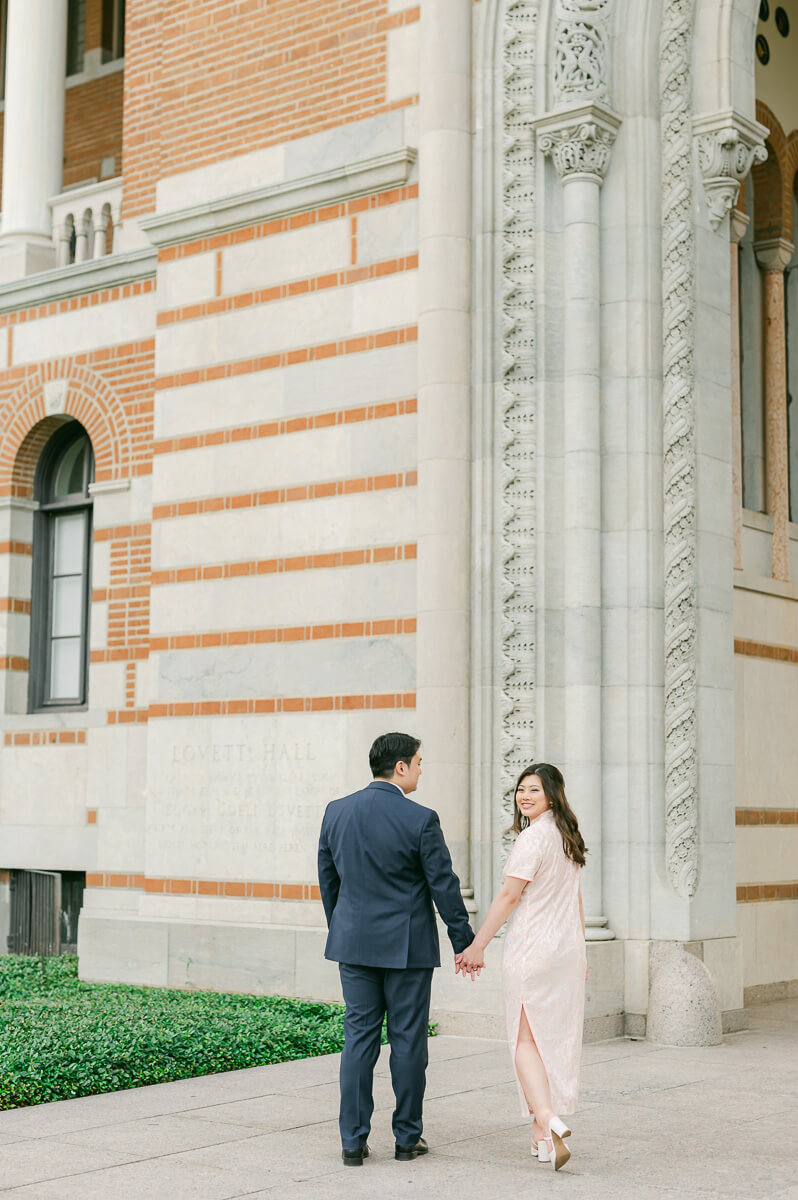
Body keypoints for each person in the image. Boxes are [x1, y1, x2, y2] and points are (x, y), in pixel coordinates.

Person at [317, 732, 478, 1167]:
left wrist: (345, 929)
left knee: (358, 1041)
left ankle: (353, 1142)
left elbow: (328, 880)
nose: (423, 770)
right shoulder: (421, 819)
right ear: (401, 767)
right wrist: (464, 942)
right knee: (408, 1041)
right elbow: (443, 886)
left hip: (353, 945)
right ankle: (407, 1139)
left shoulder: (336, 811)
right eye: (420, 762)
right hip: (407, 948)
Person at [457, 763, 587, 1171]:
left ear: (552, 794)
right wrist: (581, 953)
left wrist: (477, 945)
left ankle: (548, 1119)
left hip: (533, 949)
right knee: (550, 1040)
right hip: (566, 950)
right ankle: (541, 1137)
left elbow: (509, 897)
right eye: (520, 790)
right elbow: (577, 901)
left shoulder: (533, 838)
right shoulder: (568, 838)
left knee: (524, 1040)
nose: (524, 796)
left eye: (534, 789)